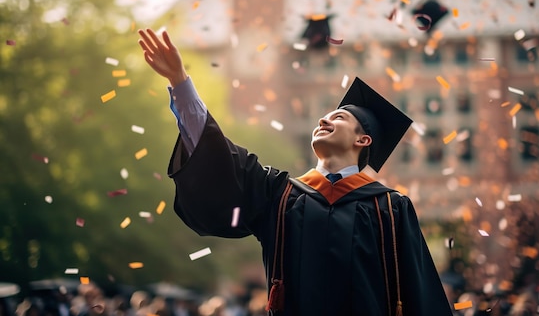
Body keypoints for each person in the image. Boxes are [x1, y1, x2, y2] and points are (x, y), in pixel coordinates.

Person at [138, 28, 453, 316]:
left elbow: (420, 294)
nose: (323, 121)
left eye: (339, 117)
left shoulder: (390, 207)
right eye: (323, 117)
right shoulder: (280, 196)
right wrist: (180, 82)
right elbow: (218, 157)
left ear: (363, 139)